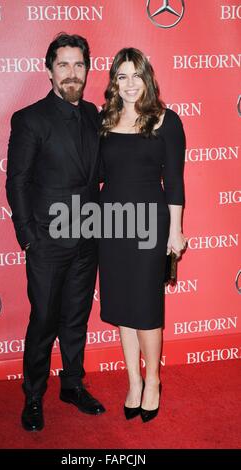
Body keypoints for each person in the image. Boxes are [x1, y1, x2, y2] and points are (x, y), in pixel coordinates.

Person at [6, 32, 105, 432]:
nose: (71, 72)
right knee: (44, 319)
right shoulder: (30, 118)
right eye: (63, 64)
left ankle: (72, 385)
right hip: (47, 240)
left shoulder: (93, 113)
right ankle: (33, 395)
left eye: (78, 64)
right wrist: (29, 236)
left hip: (88, 238)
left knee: (76, 319)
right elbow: (17, 182)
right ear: (49, 70)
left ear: (87, 69)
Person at [99, 48, 187, 422]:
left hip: (150, 225)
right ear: (114, 83)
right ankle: (132, 381)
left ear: (147, 78)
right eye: (122, 76)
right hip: (111, 224)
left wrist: (177, 230)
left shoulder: (167, 121)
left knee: (147, 310)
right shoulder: (104, 121)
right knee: (122, 310)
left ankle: (152, 381)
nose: (130, 84)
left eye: (137, 75)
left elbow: (176, 183)